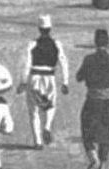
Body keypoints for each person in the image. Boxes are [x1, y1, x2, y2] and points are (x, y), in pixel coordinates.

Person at [75, 28, 109, 169]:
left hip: (93, 100)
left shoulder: (89, 59)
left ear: (95, 42)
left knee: (87, 132)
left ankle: (93, 159)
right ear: (108, 43)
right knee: (106, 136)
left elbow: (79, 77)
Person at [18, 15, 70, 149]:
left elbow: (26, 63)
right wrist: (65, 81)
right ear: (50, 28)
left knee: (33, 110)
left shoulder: (32, 44)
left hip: (34, 76)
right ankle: (47, 126)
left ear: (39, 29)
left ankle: (38, 141)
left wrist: (23, 81)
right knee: (50, 105)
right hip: (50, 77)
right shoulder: (56, 44)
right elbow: (63, 62)